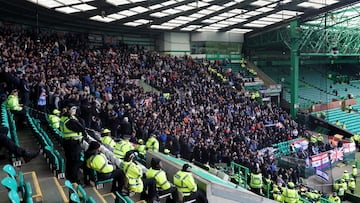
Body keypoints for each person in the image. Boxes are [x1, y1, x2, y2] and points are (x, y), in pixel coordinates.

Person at [62, 105, 86, 184]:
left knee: (70, 161)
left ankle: (69, 176)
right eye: (73, 109)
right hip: (73, 144)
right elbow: (81, 128)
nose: (75, 110)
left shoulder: (64, 118)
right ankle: (74, 180)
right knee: (75, 162)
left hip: (68, 142)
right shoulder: (70, 121)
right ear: (69, 110)